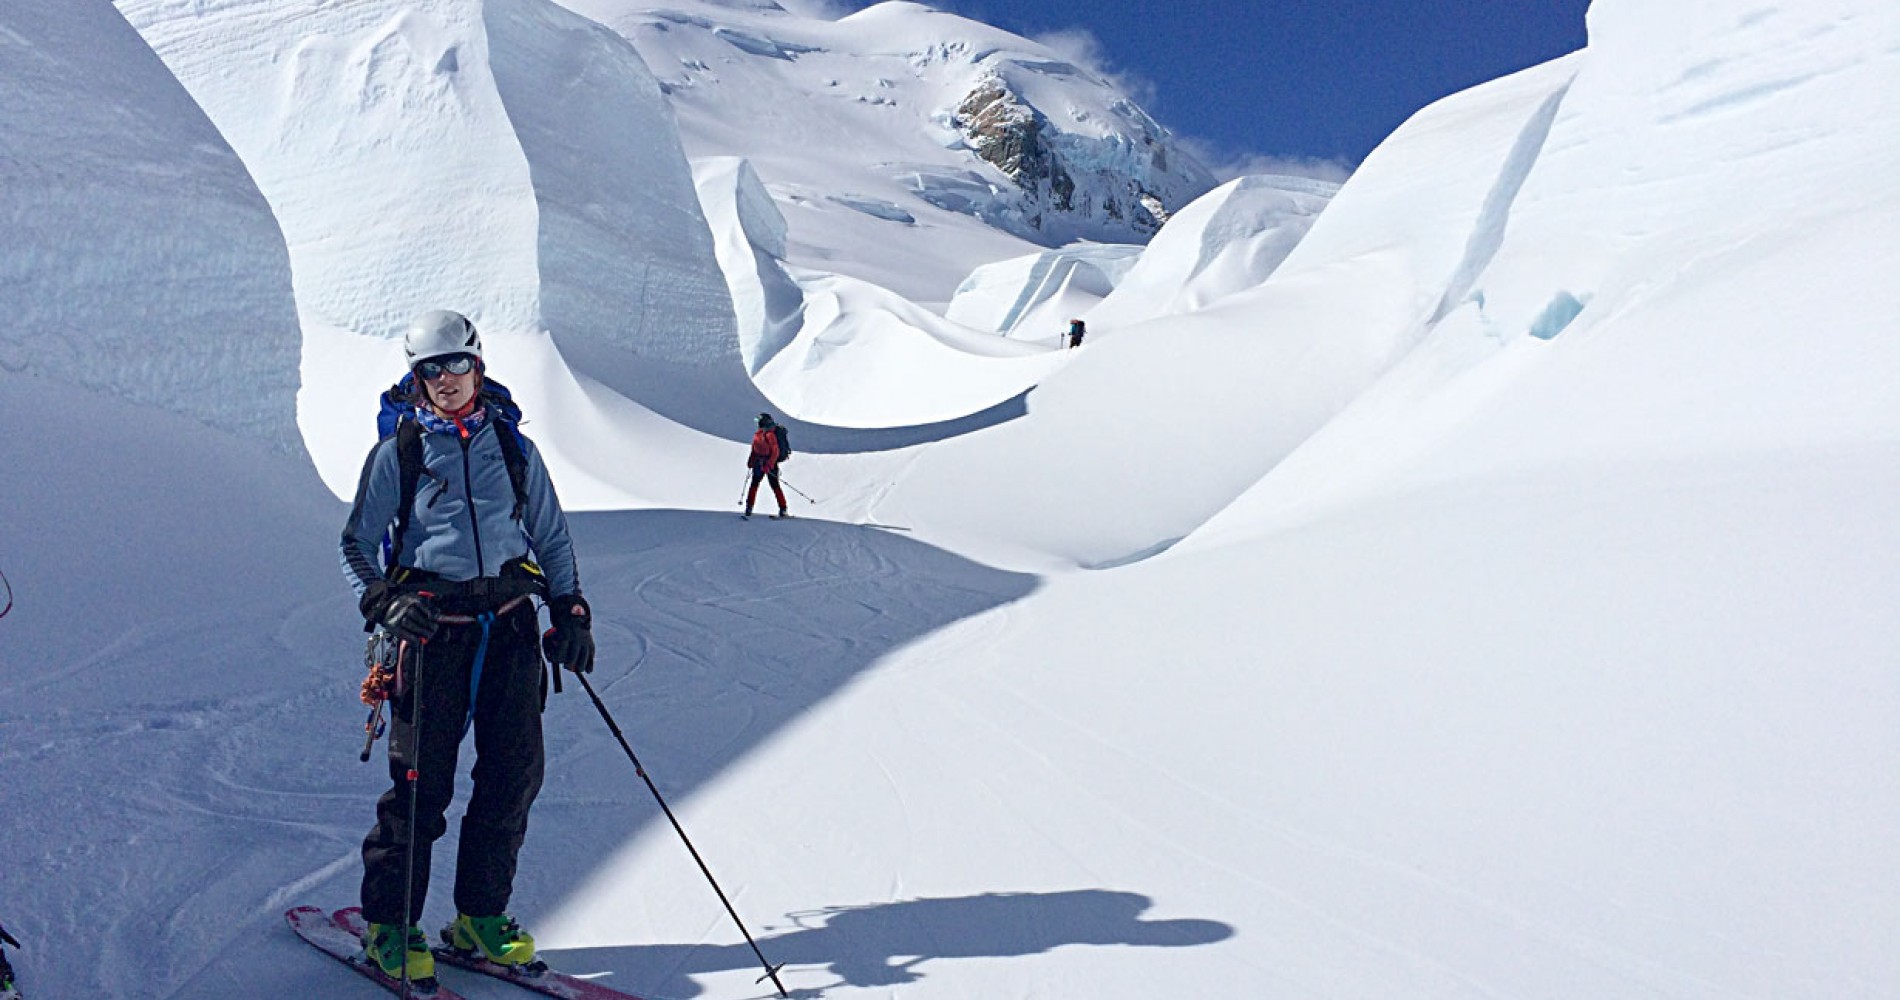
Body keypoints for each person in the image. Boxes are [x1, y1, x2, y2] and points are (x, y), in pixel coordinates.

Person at [339, 309, 594, 984]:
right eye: (431, 368)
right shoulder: (401, 452)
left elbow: (551, 536)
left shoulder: (513, 449)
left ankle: (480, 916)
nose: (446, 379)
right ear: (415, 377)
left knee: (512, 777)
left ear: (478, 365)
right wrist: (384, 600)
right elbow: (356, 545)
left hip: (508, 629)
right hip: (430, 635)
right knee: (421, 787)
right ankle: (389, 927)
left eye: (457, 364)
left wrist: (570, 609)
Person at [744, 412, 789, 519]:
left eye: (759, 421)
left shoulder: (770, 435)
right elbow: (754, 449)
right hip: (760, 464)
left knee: (773, 485)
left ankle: (783, 508)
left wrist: (769, 465)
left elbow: (775, 452)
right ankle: (749, 508)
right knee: (757, 484)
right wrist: (751, 461)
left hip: (768, 464)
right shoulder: (759, 434)